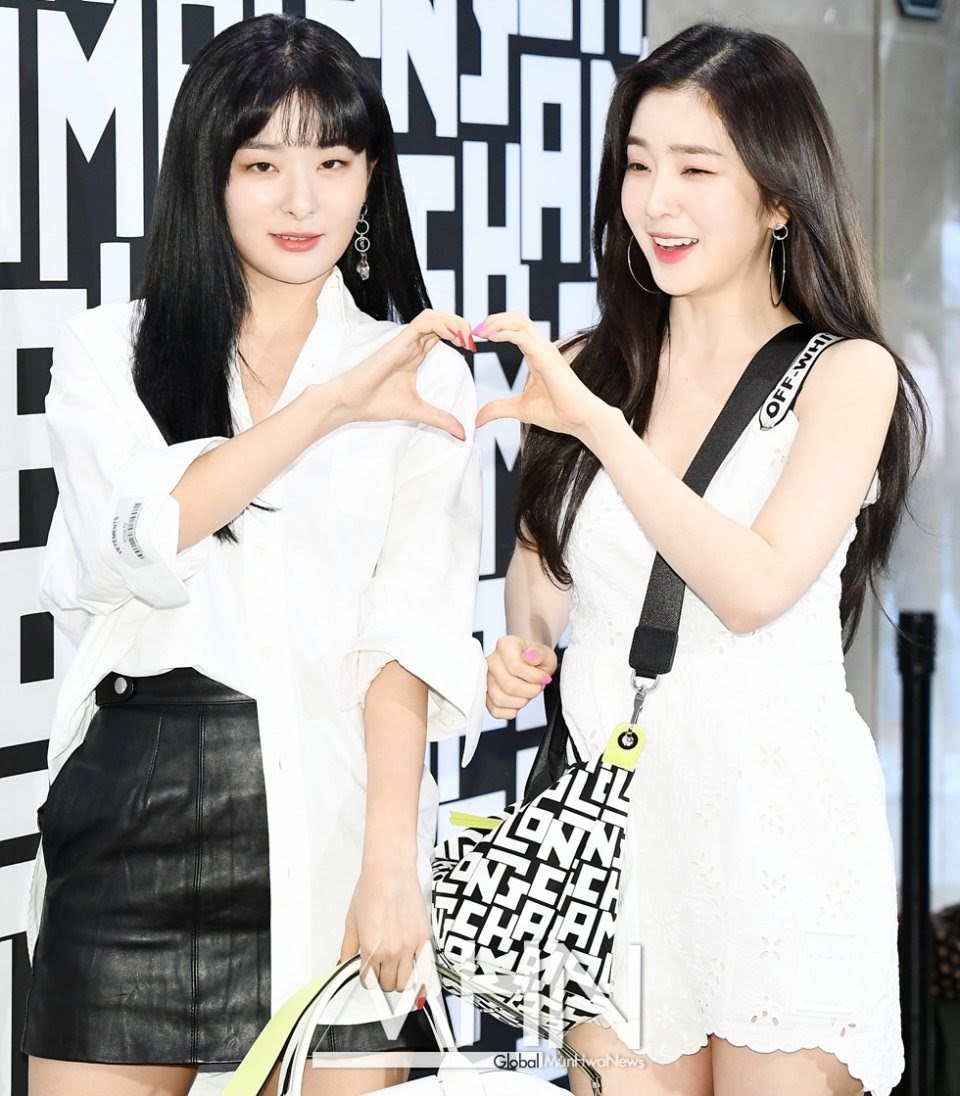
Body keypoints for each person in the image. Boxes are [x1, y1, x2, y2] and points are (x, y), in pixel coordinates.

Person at [21, 14, 486, 1096]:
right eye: (263, 164)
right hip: (138, 802)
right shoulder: (111, 351)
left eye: (334, 163)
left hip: (332, 807)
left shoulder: (423, 375)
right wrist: (322, 410)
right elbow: (137, 538)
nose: (301, 201)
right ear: (210, 175)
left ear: (370, 179)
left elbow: (407, 631)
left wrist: (391, 858)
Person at [477, 22, 926, 1096]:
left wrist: (605, 434)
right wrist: (519, 648)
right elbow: (546, 590)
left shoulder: (845, 375)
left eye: (695, 168)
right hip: (614, 849)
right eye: (639, 165)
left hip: (780, 839)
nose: (657, 202)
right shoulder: (586, 369)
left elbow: (755, 585)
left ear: (779, 197)